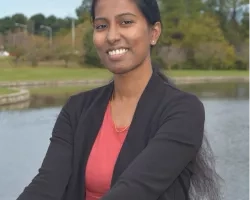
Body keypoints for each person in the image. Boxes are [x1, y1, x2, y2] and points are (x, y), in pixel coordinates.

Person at [17, 0, 222, 199]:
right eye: (101, 25)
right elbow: (47, 184)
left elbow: (135, 190)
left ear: (154, 32)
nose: (112, 36)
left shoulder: (183, 111)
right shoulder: (77, 109)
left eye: (126, 22)